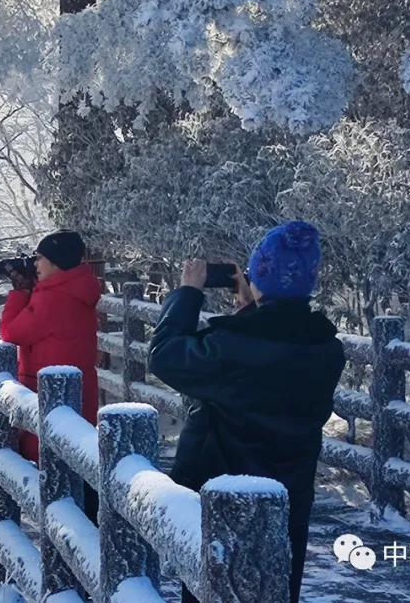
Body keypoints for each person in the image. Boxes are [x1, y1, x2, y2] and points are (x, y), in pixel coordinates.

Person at [147, 221, 345, 603]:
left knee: (212, 588)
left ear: (261, 276)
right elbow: (275, 345)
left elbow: (165, 356)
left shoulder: (232, 346)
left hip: (223, 491)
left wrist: (188, 293)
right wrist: (254, 307)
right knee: (277, 586)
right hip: (288, 495)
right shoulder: (326, 349)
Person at [0, 229, 102, 519]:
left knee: (59, 470)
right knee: (73, 461)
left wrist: (20, 294)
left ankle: (73, 537)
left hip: (49, 394)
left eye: (40, 258)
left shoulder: (53, 299)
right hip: (78, 389)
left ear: (55, 262)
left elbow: (11, 332)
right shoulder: (76, 291)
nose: (34, 265)